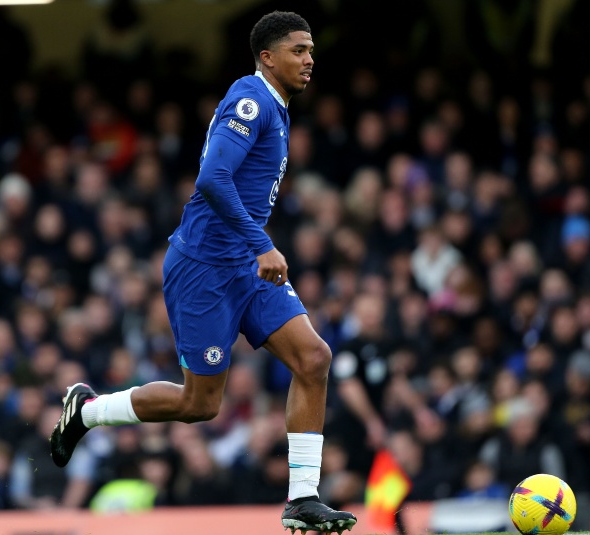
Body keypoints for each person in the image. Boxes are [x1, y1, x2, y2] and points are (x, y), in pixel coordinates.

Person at [50, 11, 357, 534]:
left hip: (244, 266)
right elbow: (212, 177)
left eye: (310, 50)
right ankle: (88, 411)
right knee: (200, 404)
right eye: (299, 50)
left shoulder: (276, 106)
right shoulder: (250, 100)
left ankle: (303, 499)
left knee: (314, 358)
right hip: (204, 269)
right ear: (267, 57)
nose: (310, 60)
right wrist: (262, 244)